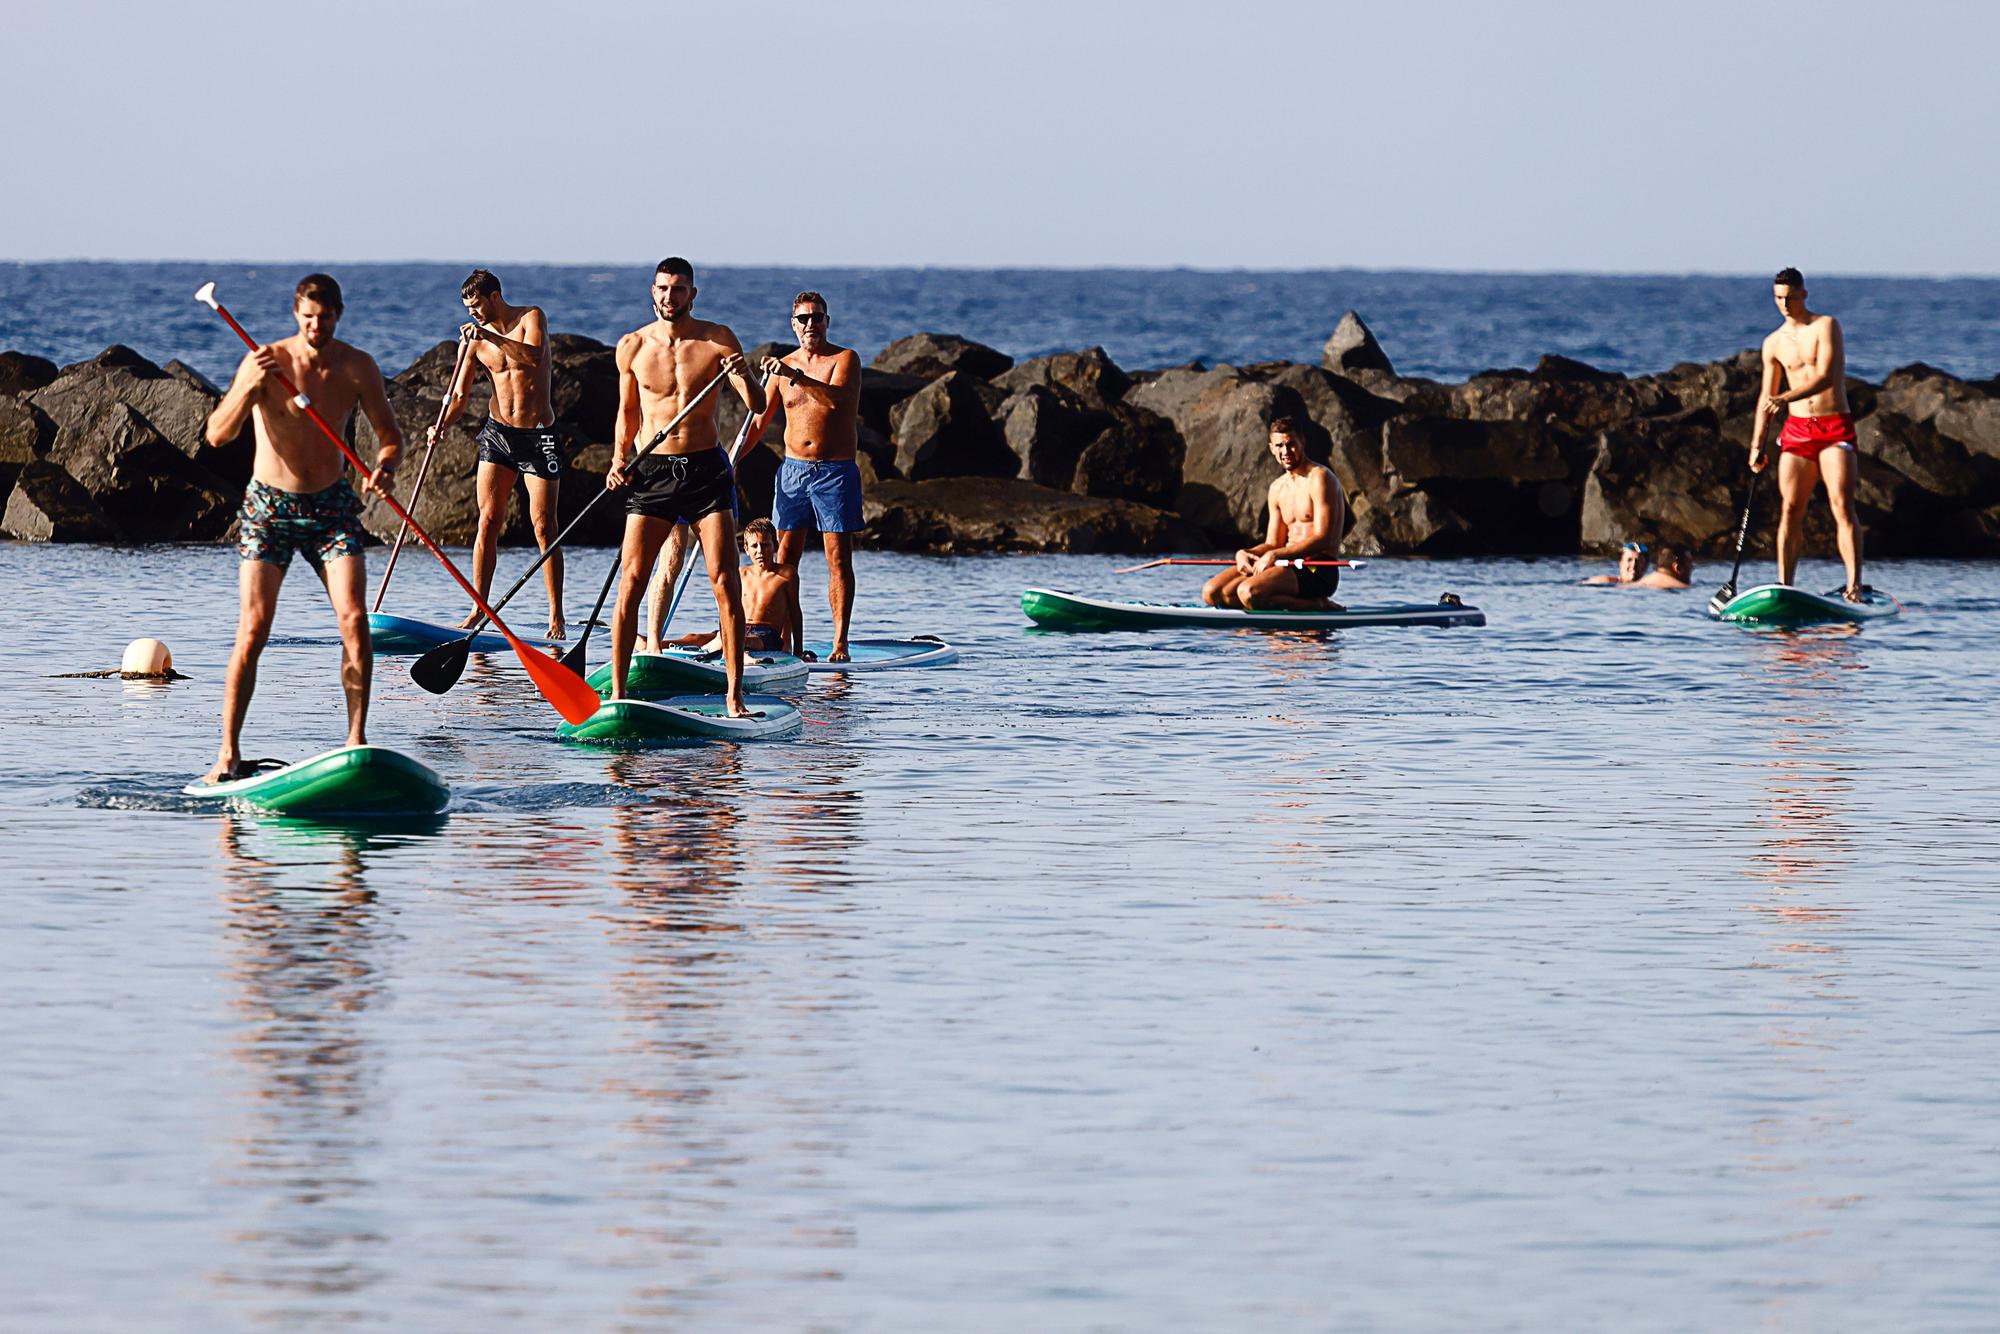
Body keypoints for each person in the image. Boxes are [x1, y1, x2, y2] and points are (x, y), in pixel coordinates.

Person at [198, 273, 403, 783]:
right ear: (296, 314)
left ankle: (356, 738)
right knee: (253, 629)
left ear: (339, 314)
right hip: (269, 509)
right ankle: (228, 752)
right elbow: (218, 436)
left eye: (326, 317)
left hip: (332, 508)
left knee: (355, 619)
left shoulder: (357, 366)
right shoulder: (264, 360)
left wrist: (385, 466)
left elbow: (390, 435)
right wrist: (248, 385)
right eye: (308, 317)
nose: (317, 326)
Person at [603, 258, 766, 715]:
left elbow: (754, 404)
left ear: (693, 294)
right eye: (661, 289)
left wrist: (743, 372)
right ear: (651, 291)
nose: (668, 297)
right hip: (651, 471)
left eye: (677, 289)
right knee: (631, 581)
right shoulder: (632, 346)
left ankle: (734, 696)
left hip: (705, 472)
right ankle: (619, 694)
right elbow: (627, 413)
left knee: (725, 582)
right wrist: (619, 460)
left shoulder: (717, 340)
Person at [432, 269, 564, 638]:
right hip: (498, 435)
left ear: (495, 296)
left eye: (477, 306)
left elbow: (533, 358)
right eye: (468, 309)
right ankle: (479, 609)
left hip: (538, 435)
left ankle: (556, 617)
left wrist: (488, 335)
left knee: (544, 527)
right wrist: (440, 423)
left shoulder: (530, 318)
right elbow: (458, 396)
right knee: (488, 520)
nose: (472, 314)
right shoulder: (473, 342)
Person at [759, 290, 865, 661]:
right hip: (792, 471)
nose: (810, 325)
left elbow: (837, 400)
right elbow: (759, 418)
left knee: (838, 559)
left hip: (834, 472)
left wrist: (794, 376)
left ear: (826, 321)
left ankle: (840, 643)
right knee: (784, 559)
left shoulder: (844, 359)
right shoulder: (782, 367)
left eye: (816, 317)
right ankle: (783, 640)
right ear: (793, 324)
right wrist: (733, 456)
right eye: (802, 319)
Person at [1749, 267, 1865, 598]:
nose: (1785, 304)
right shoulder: (1773, 343)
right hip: (1798, 430)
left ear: (1804, 295)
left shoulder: (1826, 326)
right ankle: (1785, 586)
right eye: (1778, 298)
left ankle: (1853, 584)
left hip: (1833, 426)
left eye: (1790, 297)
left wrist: (1784, 398)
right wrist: (1757, 444)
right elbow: (1764, 397)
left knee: (1841, 504)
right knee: (1790, 508)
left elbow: (1827, 376)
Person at [1201, 416, 1347, 611]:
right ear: (1271, 448)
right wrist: (1245, 554)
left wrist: (1274, 555)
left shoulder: (1320, 478)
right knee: (1213, 593)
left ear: (1302, 442)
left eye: (1291, 444)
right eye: (1279, 446)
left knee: (1249, 593)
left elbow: (1324, 539)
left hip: (1317, 569)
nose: (1285, 452)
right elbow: (1273, 543)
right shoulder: (1277, 488)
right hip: (1284, 564)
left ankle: (1316, 604)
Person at [656, 519, 799, 654]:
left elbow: (795, 613)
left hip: (766, 635)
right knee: (695, 637)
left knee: (741, 640)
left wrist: (798, 651)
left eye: (765, 544)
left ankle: (709, 651)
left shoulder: (786, 574)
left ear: (775, 545)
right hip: (739, 627)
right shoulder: (741, 574)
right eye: (754, 546)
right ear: (746, 549)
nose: (760, 551)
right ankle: (654, 644)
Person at [1583, 541, 1651, 584]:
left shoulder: (1649, 586)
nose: (1634, 565)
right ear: (1620, 563)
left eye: (1639, 561)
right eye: (1629, 560)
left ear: (1646, 566)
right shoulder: (1603, 581)